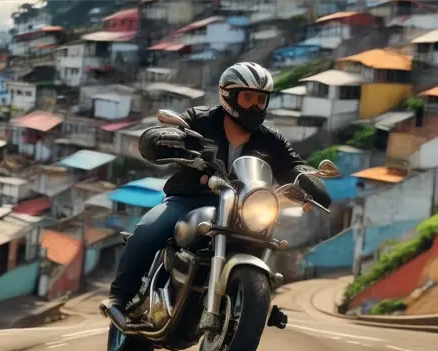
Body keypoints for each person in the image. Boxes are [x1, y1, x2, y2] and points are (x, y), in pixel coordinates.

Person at [101, 62, 332, 322]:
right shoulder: (200, 120)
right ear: (228, 96)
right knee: (149, 229)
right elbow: (171, 130)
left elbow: (293, 164)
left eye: (260, 100)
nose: (255, 107)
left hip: (243, 210)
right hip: (189, 199)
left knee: (266, 237)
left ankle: (250, 304)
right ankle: (119, 297)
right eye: (247, 98)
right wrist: (160, 137)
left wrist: (307, 180)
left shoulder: (271, 140)